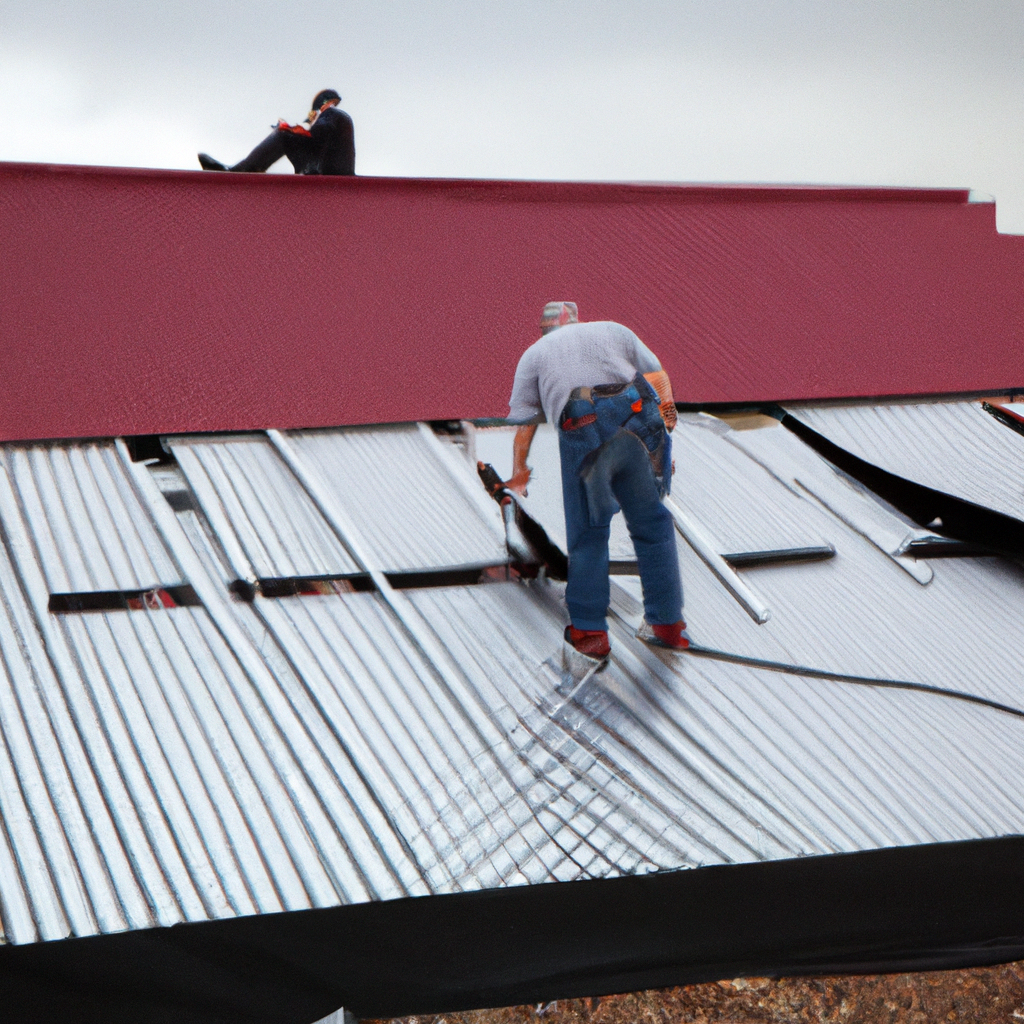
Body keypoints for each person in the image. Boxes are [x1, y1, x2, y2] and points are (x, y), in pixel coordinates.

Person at [506, 301, 689, 660]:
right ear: (578, 320)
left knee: (589, 534)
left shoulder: (533, 355)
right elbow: (658, 377)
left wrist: (518, 474)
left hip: (584, 420)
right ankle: (668, 625)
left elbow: (524, 426)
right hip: (636, 414)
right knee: (652, 521)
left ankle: (590, 633)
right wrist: (665, 436)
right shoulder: (615, 329)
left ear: (543, 328)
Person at [198, 89, 355, 175]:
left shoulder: (332, 114)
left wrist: (292, 131)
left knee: (282, 136)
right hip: (326, 166)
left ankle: (241, 170)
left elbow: (319, 133)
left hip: (330, 170)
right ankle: (243, 169)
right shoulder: (336, 118)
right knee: (285, 134)